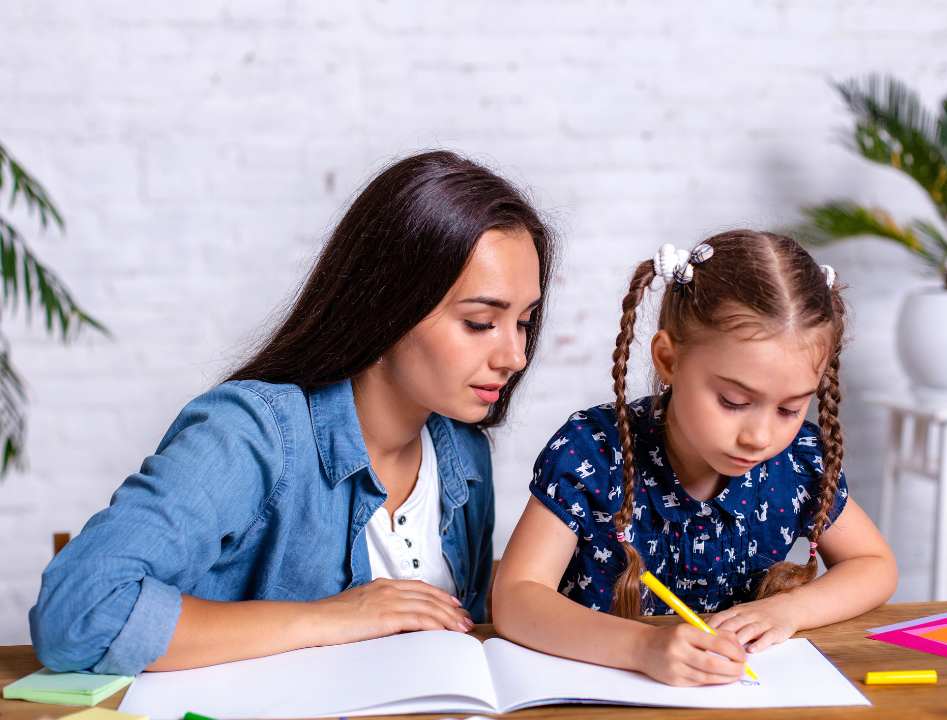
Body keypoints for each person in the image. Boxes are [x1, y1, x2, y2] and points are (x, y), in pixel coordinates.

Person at [30, 150, 556, 675]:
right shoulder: (252, 435)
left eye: (524, 323)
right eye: (481, 322)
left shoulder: (464, 454)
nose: (515, 356)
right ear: (387, 308)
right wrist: (328, 619)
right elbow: (78, 612)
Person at [493, 231, 896, 686]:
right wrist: (642, 646)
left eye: (789, 409)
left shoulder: (797, 465)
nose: (760, 436)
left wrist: (787, 610)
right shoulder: (592, 450)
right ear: (668, 359)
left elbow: (874, 565)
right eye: (732, 400)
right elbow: (516, 597)